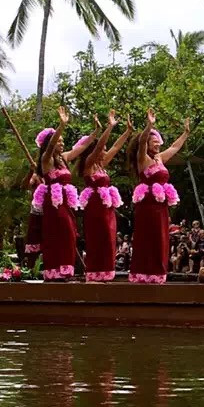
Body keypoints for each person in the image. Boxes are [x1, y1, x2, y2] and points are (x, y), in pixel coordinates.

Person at [128, 109, 191, 284]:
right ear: (147, 144)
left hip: (161, 206)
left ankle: (157, 274)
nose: (158, 145)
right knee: (147, 237)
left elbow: (175, 147)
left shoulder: (160, 159)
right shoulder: (143, 159)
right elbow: (141, 143)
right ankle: (143, 273)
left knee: (160, 238)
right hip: (147, 206)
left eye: (158, 142)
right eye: (154, 142)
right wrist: (150, 125)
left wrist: (185, 133)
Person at [33, 106, 96, 281]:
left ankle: (65, 271)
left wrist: (97, 131)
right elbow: (51, 144)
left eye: (62, 141)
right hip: (53, 203)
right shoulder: (47, 160)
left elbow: (81, 147)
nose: (61, 143)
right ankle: (54, 272)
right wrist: (61, 125)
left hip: (65, 203)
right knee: (59, 233)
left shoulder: (64, 159)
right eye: (58, 141)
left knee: (69, 233)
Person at [77, 110, 133, 282]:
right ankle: (95, 273)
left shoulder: (101, 165)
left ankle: (106, 273)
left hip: (106, 207)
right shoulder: (88, 165)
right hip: (95, 207)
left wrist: (127, 132)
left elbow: (115, 147)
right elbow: (101, 146)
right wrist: (109, 127)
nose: (105, 150)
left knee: (109, 238)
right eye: (102, 149)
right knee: (98, 238)